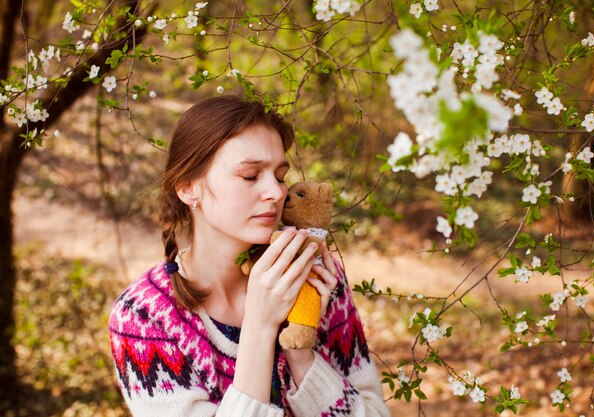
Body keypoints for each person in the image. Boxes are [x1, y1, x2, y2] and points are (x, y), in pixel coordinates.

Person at [108, 95, 390, 417]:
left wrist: (300, 352)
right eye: (250, 175)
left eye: (280, 175)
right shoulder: (143, 317)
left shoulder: (315, 277)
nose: (275, 192)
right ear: (188, 188)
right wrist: (260, 324)